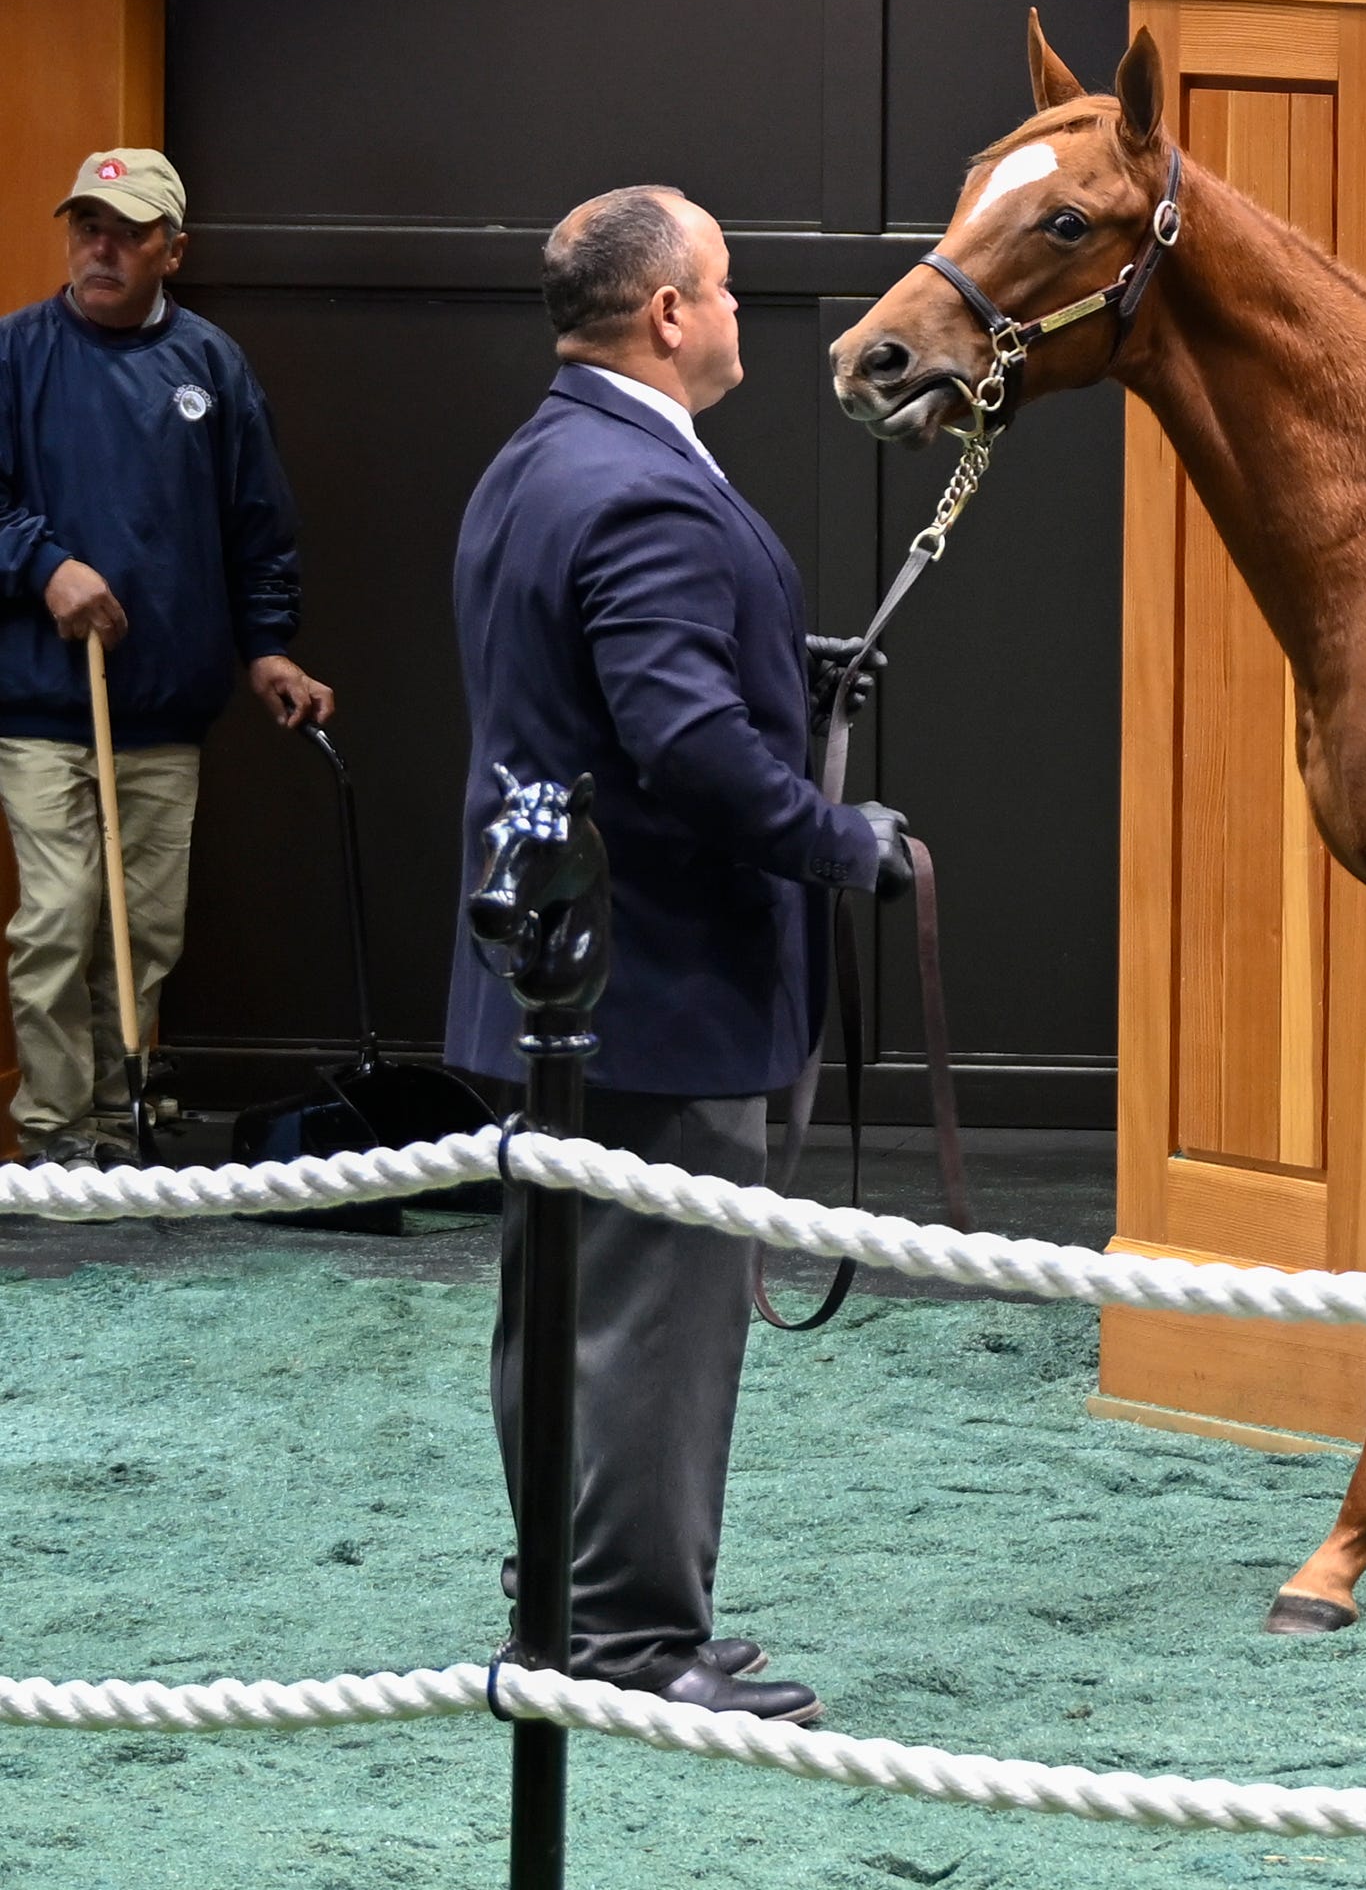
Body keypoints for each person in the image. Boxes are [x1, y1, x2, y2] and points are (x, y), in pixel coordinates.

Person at [445, 185, 912, 1724]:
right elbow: (683, 740)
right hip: (657, 987)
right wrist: (837, 839)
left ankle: (563, 1604)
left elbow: (607, 693)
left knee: (561, 1304)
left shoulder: (536, 462)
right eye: (719, 288)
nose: (733, 312)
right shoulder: (645, 488)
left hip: (552, 973)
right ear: (665, 314)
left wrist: (787, 669)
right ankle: (636, 1642)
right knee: (652, 1317)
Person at [0, 148, 330, 1167]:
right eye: (88, 225)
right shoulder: (16, 353)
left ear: (170, 249)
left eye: (127, 230)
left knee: (140, 938)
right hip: (46, 705)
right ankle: (55, 1141)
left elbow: (256, 525)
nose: (101, 246)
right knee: (57, 923)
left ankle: (117, 1123)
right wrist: (45, 564)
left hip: (165, 707)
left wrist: (268, 648)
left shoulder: (211, 366)